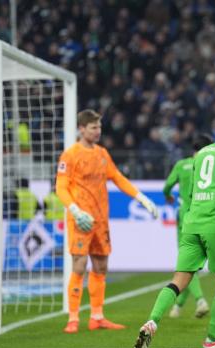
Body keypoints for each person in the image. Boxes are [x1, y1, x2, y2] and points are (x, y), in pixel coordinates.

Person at [135, 112, 215, 348]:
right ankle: (211, 341)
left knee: (179, 279)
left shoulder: (202, 154)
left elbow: (193, 191)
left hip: (190, 223)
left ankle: (153, 320)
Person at [56, 109, 158, 334]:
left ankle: (97, 316)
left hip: (101, 220)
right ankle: (73, 318)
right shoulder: (70, 155)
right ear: (82, 129)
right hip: (81, 219)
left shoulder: (102, 154)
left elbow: (119, 179)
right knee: (79, 265)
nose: (98, 131)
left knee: (101, 265)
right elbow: (61, 187)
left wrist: (141, 198)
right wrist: (74, 210)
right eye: (93, 127)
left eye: (99, 127)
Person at [162, 134, 214, 319]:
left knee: (186, 264)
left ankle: (197, 301)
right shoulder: (210, 167)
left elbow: (167, 187)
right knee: (192, 265)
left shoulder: (182, 165)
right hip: (207, 216)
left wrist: (168, 196)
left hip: (185, 218)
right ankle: (179, 306)